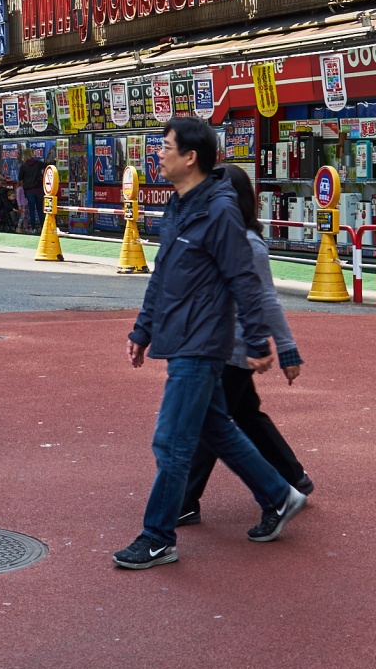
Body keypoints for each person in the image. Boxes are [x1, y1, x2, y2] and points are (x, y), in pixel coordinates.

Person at [112, 117, 307, 571]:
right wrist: (142, 330)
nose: (158, 153)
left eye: (165, 146)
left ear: (190, 157)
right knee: (216, 428)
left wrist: (260, 341)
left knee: (171, 444)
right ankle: (279, 496)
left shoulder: (218, 211)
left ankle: (157, 537)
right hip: (181, 336)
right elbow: (162, 274)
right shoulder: (179, 205)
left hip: (201, 342)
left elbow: (246, 281)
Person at [179, 163, 313, 525]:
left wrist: (286, 349)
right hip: (218, 344)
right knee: (244, 415)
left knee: (208, 423)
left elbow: (266, 299)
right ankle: (292, 476)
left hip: (233, 349)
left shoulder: (247, 243)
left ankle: (187, 499)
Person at [18, 147, 46, 231]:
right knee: (40, 209)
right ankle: (43, 227)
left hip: (29, 191)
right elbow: (48, 164)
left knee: (31, 210)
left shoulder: (23, 166)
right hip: (39, 190)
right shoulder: (38, 163)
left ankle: (33, 228)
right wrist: (55, 160)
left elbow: (20, 177)